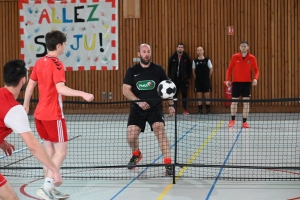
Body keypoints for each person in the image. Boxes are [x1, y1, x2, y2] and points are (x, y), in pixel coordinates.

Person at [23, 30, 94, 199]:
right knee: (61, 152)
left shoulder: (39, 63)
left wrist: (25, 104)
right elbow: (60, 89)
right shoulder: (57, 64)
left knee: (49, 153)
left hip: (39, 115)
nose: (65, 47)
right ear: (59, 45)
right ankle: (46, 187)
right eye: (64, 44)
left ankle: (52, 189)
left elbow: (30, 86)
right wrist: (83, 94)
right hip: (53, 115)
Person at [0, 59, 62, 200]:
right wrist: (54, 169)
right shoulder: (14, 108)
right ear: (23, 80)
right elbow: (33, 146)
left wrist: (1, 141)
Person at [123, 44, 175, 176]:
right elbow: (125, 90)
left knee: (160, 130)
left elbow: (167, 87)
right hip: (137, 108)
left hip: (154, 107)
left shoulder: (158, 70)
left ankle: (168, 163)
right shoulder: (132, 70)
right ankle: (136, 154)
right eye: (144, 52)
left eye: (148, 52)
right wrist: (138, 101)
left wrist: (171, 105)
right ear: (139, 53)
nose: (146, 54)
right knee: (131, 135)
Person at [225, 41, 259, 128]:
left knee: (246, 103)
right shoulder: (235, 57)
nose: (243, 47)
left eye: (245, 46)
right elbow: (229, 68)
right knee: (234, 102)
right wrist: (227, 80)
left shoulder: (252, 58)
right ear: (240, 48)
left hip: (246, 83)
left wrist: (255, 78)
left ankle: (244, 122)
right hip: (236, 83)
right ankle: (232, 120)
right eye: (241, 46)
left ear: (247, 48)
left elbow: (256, 70)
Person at [168, 43, 192, 115]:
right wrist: (170, 77)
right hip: (174, 79)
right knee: (174, 94)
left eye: (181, 47)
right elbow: (169, 68)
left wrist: (188, 78)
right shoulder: (173, 57)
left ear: (183, 49)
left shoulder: (186, 57)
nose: (180, 48)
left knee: (184, 94)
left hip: (183, 79)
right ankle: (174, 109)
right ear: (177, 48)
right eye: (179, 47)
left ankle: (185, 109)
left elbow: (189, 69)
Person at [192, 46, 213, 114]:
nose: (199, 51)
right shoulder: (195, 61)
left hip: (206, 81)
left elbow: (211, 69)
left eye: (200, 50)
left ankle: (208, 110)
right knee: (199, 95)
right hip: (198, 81)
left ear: (203, 51)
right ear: (197, 52)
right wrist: (196, 78)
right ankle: (200, 110)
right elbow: (193, 71)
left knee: (207, 95)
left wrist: (207, 77)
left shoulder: (207, 60)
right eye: (198, 50)